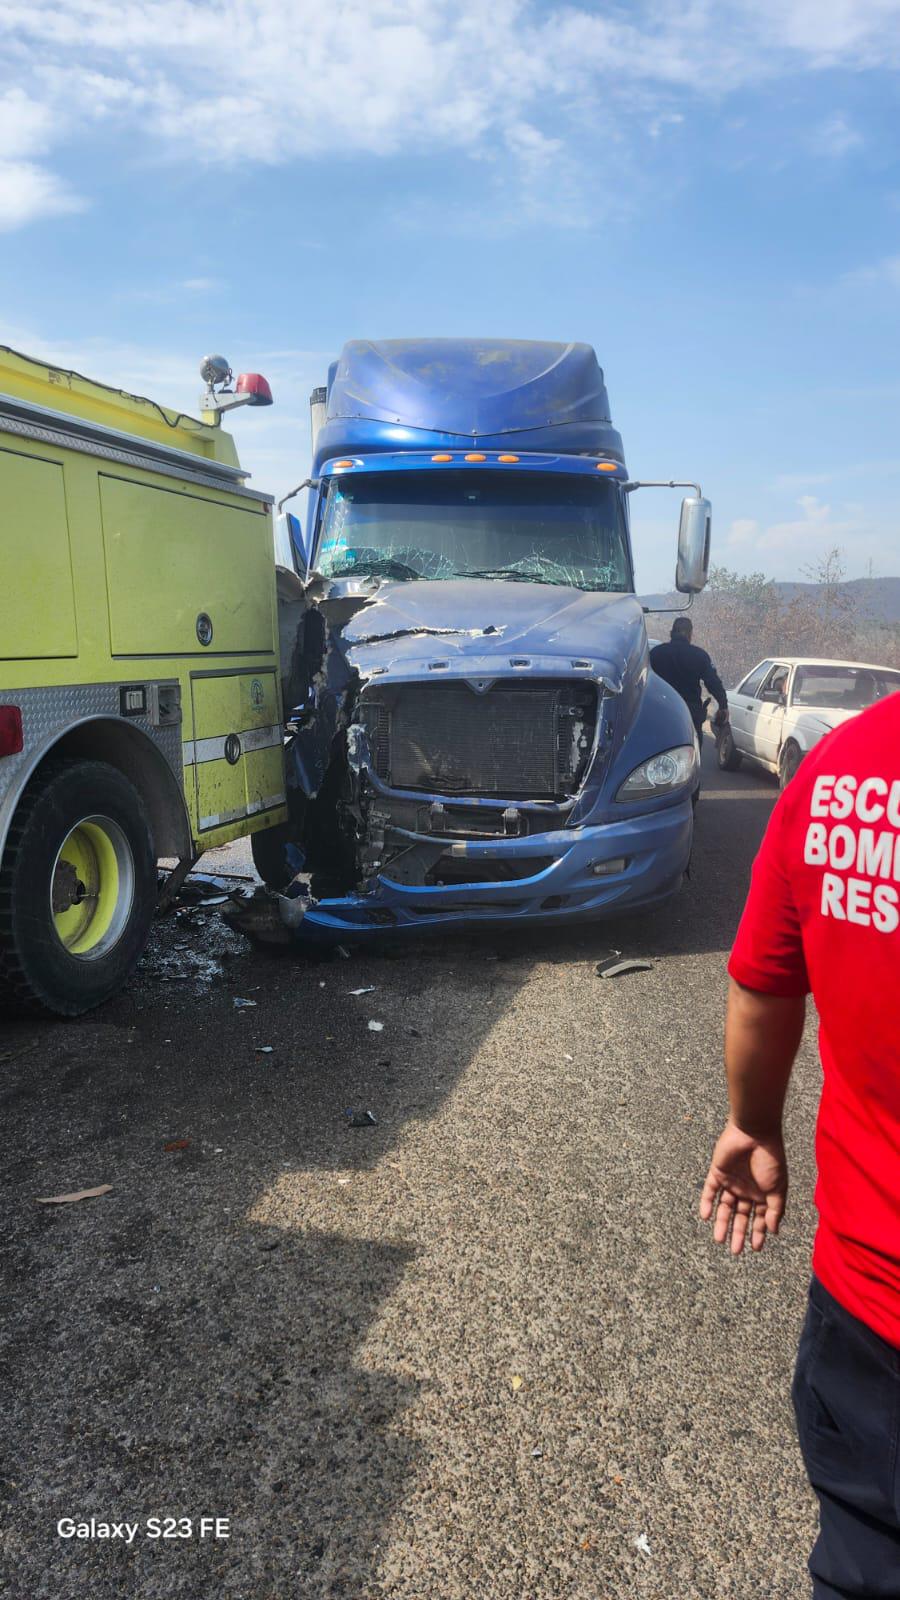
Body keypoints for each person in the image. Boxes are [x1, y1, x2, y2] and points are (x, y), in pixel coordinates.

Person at [700, 693, 900, 1597]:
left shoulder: (838, 771)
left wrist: (754, 1120)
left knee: (862, 1563)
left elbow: (764, 981)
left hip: (869, 1312)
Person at [649, 616, 728, 748]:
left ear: (671, 632)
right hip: (690, 714)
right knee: (691, 751)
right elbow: (713, 683)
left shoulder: (655, 653)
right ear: (690, 634)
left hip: (661, 711)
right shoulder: (699, 655)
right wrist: (723, 705)